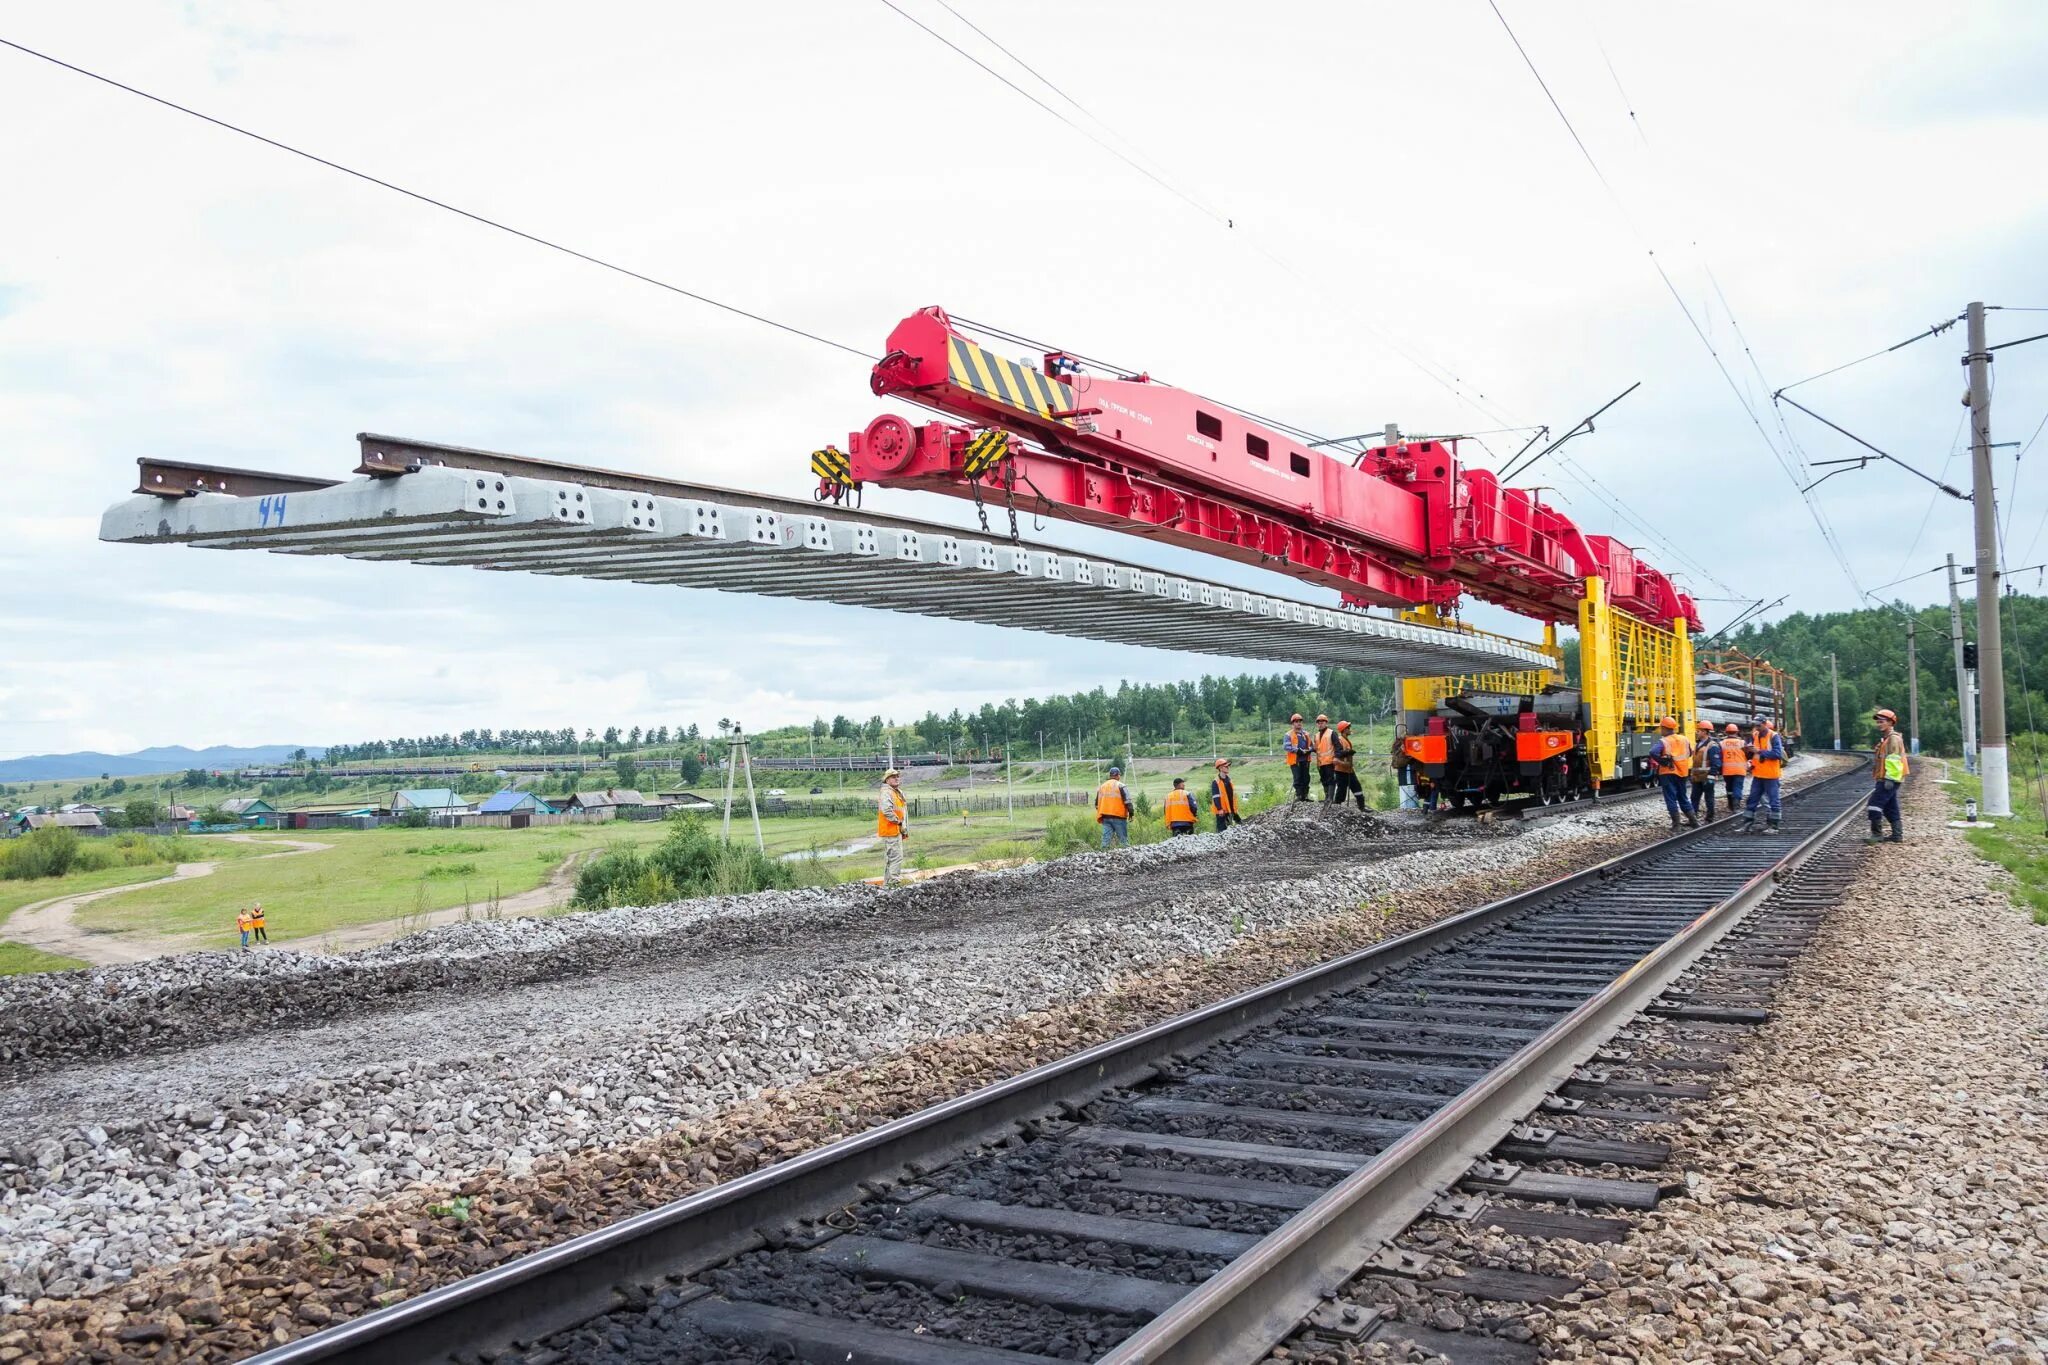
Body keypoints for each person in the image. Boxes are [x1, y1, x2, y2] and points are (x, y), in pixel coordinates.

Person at [1866, 707, 1909, 843]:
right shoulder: (1886, 739)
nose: (1879, 724)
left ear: (1891, 722)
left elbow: (1894, 760)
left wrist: (1889, 779)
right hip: (1887, 777)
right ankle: (1897, 835)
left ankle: (1876, 834)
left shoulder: (1893, 739)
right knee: (1890, 806)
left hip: (1889, 778)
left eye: (1882, 721)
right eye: (1878, 722)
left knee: (1874, 804)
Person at [1741, 718, 1787, 834]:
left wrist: (1759, 751)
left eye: (1759, 725)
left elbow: (1777, 754)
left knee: (1773, 801)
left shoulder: (1773, 736)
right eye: (1755, 726)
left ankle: (1774, 826)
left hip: (1771, 775)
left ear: (1765, 724)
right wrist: (1749, 755)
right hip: (1758, 774)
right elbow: (1755, 755)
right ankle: (1747, 824)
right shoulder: (1755, 735)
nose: (1757, 728)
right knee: (1752, 799)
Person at [1651, 717, 1698, 829]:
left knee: (1671, 798)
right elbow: (1690, 753)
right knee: (1683, 797)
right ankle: (1694, 821)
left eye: (1661, 728)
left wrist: (1663, 761)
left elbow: (1653, 752)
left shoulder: (1664, 741)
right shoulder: (1684, 739)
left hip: (1668, 773)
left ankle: (1676, 825)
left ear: (1664, 728)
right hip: (1682, 772)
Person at [875, 769, 908, 888]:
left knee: (892, 858)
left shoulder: (895, 792)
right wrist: (898, 821)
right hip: (891, 830)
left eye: (897, 776)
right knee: (896, 858)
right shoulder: (887, 792)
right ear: (887, 779)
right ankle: (894, 883)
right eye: (893, 777)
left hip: (895, 830)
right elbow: (886, 810)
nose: (897, 778)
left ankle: (888, 884)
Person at [1687, 720, 1723, 821]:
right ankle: (1693, 818)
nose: (1697, 732)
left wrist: (1711, 776)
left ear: (1705, 732)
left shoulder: (1712, 746)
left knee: (1709, 798)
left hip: (1707, 777)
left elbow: (1716, 763)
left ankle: (1710, 817)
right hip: (1697, 777)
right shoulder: (1698, 745)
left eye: (1699, 730)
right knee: (1694, 797)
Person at [1329, 720, 1364, 810]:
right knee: (1341, 791)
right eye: (1348, 728)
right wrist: (1343, 762)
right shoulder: (1340, 740)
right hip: (1341, 771)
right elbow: (1337, 756)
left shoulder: (1346, 740)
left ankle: (1362, 807)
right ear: (1344, 730)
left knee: (1357, 788)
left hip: (1349, 770)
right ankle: (1337, 808)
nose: (1349, 729)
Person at [1096, 765, 1132, 848]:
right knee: (1123, 840)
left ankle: (1102, 856)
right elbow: (1128, 801)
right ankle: (1127, 857)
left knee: (1105, 841)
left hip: (1105, 817)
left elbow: (1096, 804)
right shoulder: (1121, 785)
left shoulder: (1102, 787)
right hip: (1119, 817)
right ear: (1118, 775)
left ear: (1110, 775)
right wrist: (1131, 813)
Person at [1282, 714, 1313, 802]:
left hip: (1306, 760)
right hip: (1295, 761)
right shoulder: (1288, 735)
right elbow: (1286, 747)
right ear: (1293, 724)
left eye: (1300, 721)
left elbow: (1312, 746)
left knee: (1306, 778)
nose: (1298, 723)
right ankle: (1299, 796)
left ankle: (1305, 796)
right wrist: (1297, 750)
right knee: (1298, 778)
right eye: (1296, 722)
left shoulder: (1306, 734)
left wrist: (1309, 750)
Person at [1719, 723, 1749, 814]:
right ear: (1737, 732)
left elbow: (1719, 757)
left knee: (1729, 788)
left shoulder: (1721, 743)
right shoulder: (1742, 743)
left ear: (1726, 732)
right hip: (1740, 770)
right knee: (1737, 788)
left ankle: (1730, 805)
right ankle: (1736, 806)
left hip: (1727, 770)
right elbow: (1748, 755)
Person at [1209, 758, 1242, 832]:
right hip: (1222, 811)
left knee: (1238, 826)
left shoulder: (1229, 780)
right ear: (1220, 768)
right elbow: (1216, 796)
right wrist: (1219, 809)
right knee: (1222, 831)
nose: (1228, 768)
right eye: (1226, 766)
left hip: (1231, 809)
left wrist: (1234, 809)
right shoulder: (1216, 782)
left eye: (1228, 766)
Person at [1312, 714, 1336, 801]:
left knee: (1330, 779)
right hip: (1320, 762)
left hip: (1330, 762)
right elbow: (1317, 748)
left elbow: (1338, 746)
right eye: (1318, 722)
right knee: (1324, 780)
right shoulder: (1316, 735)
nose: (1320, 724)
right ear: (1317, 724)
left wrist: (1337, 758)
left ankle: (1330, 798)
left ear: (1326, 723)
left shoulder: (1332, 733)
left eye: (1322, 722)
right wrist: (1311, 749)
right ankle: (1327, 797)